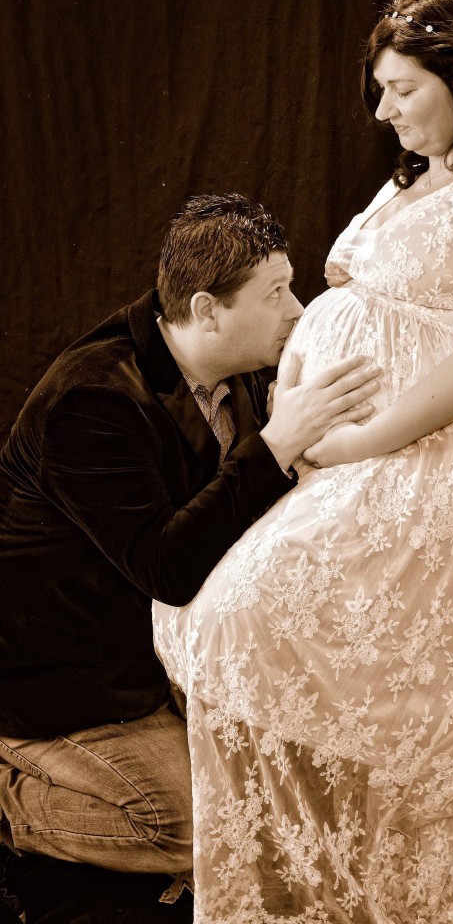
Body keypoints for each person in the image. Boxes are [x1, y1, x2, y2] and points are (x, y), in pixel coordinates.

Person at [152, 0, 453, 924]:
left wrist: (357, 440)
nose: (384, 111)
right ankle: (319, 855)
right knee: (199, 602)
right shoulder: (414, 177)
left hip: (451, 450)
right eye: (379, 90)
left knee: (243, 615)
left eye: (402, 89)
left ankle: (360, 853)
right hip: (355, 445)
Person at [0, 193, 380, 882]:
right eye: (275, 294)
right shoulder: (91, 402)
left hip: (158, 653)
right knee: (195, 833)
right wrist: (279, 443)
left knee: (289, 785)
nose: (297, 310)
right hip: (58, 678)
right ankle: (8, 799)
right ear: (207, 310)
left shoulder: (238, 368)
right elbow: (166, 568)